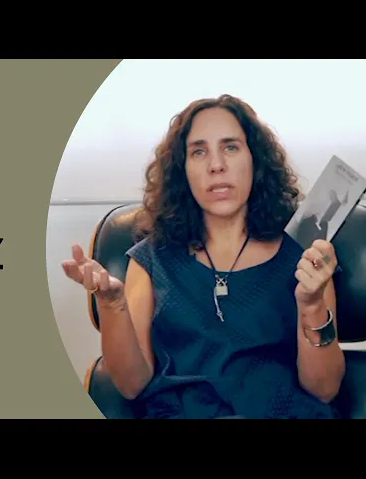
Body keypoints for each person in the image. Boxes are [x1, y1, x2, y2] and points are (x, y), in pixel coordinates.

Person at [61, 94, 346, 419]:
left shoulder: (305, 257)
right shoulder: (152, 258)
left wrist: (312, 306)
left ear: (255, 160)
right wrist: (112, 304)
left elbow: (324, 389)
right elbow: (131, 385)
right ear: (182, 170)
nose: (216, 165)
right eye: (199, 151)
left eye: (231, 147)